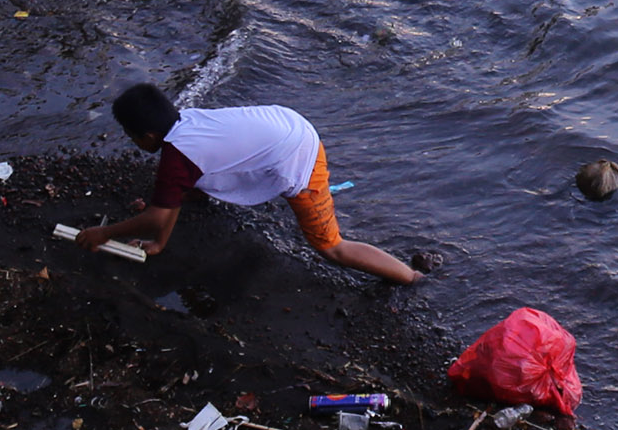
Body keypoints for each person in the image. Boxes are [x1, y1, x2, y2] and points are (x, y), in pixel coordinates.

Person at [75, 83, 419, 284]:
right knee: (175, 192)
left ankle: (411, 278)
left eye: (131, 136)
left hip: (300, 153)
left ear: (147, 135)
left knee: (331, 248)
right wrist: (158, 243)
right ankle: (192, 200)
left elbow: (155, 217)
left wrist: (103, 233)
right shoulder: (187, 122)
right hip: (286, 121)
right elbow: (163, 212)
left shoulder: (177, 158)